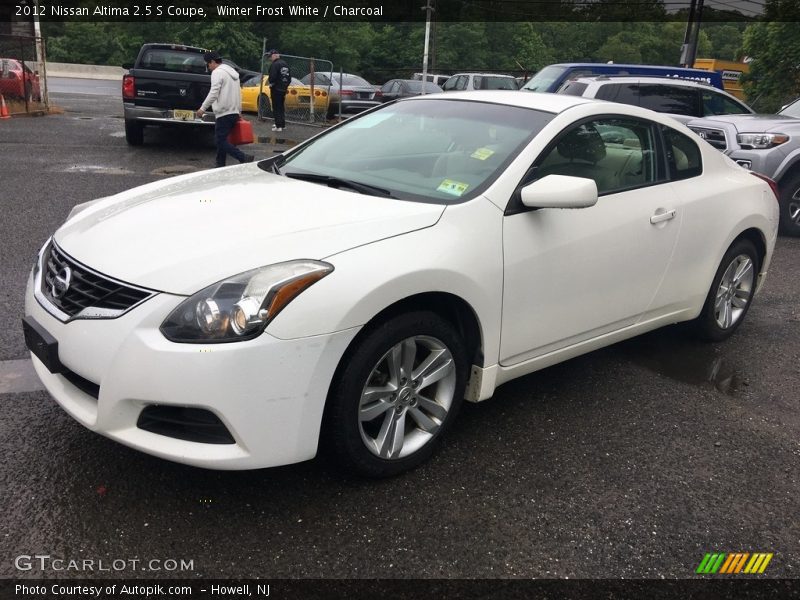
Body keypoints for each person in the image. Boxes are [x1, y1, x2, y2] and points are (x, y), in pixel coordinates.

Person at [196, 51, 254, 168]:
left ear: (212, 62)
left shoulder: (217, 73)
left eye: (207, 64)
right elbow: (239, 93)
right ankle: (220, 164)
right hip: (233, 112)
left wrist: (202, 108)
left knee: (220, 141)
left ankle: (243, 157)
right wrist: (239, 111)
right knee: (222, 139)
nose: (208, 67)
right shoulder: (233, 73)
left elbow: (214, 92)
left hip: (224, 112)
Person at [267, 49, 291, 132]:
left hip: (276, 88)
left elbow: (272, 77)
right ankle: (282, 124)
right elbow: (289, 78)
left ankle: (278, 126)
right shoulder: (285, 64)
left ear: (274, 55)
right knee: (281, 107)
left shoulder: (275, 64)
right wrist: (285, 86)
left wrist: (271, 83)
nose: (270, 58)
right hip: (283, 89)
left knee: (276, 107)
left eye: (270, 56)